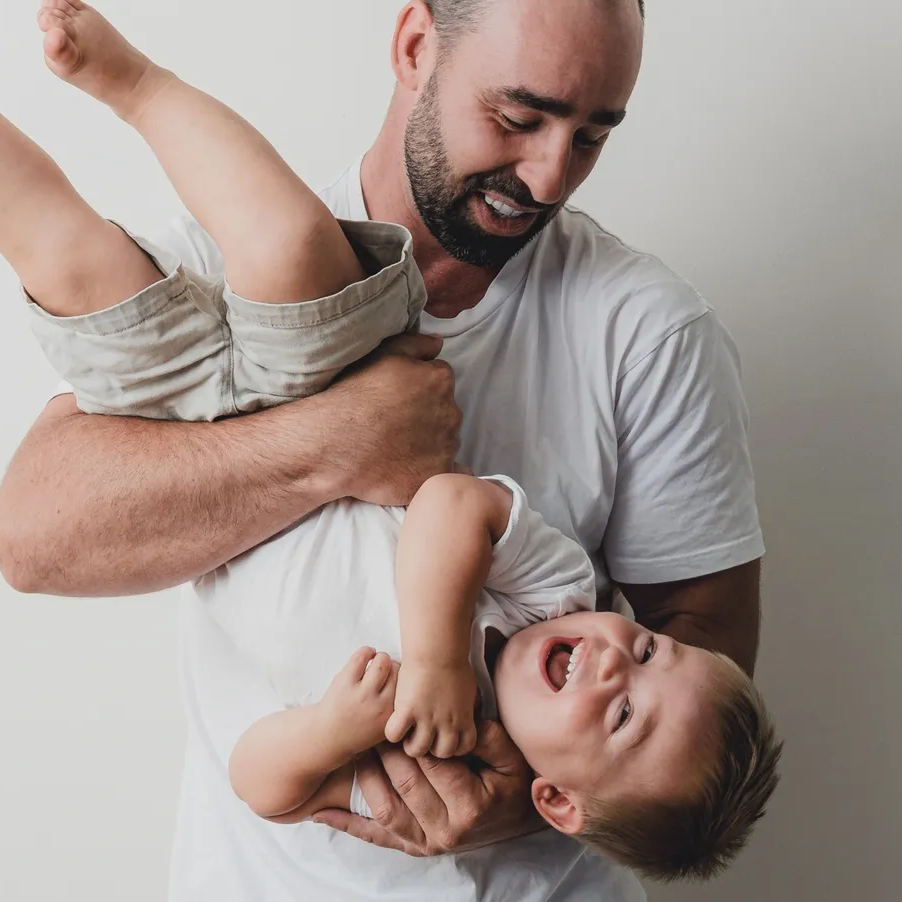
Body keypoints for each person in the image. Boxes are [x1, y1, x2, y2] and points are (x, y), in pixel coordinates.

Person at [0, 1, 767, 900]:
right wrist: (339, 441)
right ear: (413, 47)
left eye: (593, 137)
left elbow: (707, 645)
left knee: (72, 257)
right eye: (518, 117)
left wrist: (528, 800)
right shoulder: (232, 229)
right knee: (129, 256)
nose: (551, 176)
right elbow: (33, 540)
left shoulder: (651, 333)